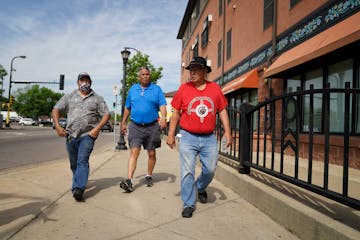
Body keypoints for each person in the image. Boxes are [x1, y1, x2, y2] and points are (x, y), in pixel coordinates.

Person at [166, 56, 232, 218]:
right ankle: (188, 203)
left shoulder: (215, 88)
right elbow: (175, 113)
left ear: (204, 72)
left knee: (209, 170)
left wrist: (228, 132)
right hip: (188, 137)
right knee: (187, 171)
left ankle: (200, 187)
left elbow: (222, 110)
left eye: (196, 70)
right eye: (191, 70)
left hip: (209, 138)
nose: (192, 73)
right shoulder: (184, 89)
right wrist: (171, 134)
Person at [52, 72, 110, 201]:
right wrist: (57, 126)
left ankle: (78, 189)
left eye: (87, 80)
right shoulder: (69, 96)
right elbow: (56, 109)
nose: (84, 82)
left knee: (82, 161)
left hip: (87, 135)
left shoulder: (97, 98)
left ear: (90, 82)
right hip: (71, 135)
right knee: (74, 164)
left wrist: (97, 128)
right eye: (82, 80)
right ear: (78, 82)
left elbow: (106, 114)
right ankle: (79, 180)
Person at [119, 66, 167, 192]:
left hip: (152, 126)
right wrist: (123, 122)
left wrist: (163, 118)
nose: (146, 76)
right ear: (139, 77)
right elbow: (127, 108)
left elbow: (162, 105)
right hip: (135, 126)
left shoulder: (156, 89)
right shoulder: (133, 90)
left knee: (151, 153)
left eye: (147, 74)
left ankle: (149, 175)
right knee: (134, 152)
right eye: (143, 74)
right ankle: (129, 180)